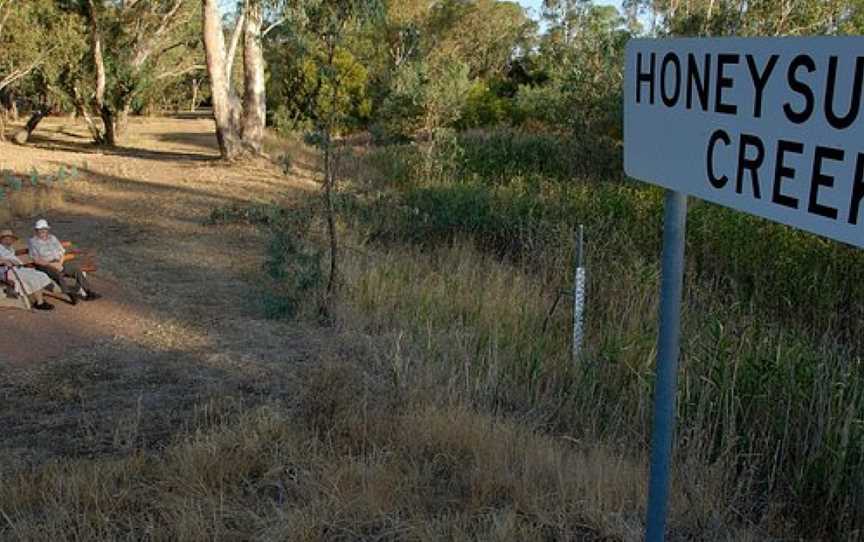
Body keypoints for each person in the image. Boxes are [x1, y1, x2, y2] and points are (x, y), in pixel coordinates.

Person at [28, 219, 100, 303]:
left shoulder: (53, 238)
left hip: (59, 262)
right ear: (36, 230)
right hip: (45, 265)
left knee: (76, 270)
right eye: (40, 230)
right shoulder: (33, 242)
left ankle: (88, 292)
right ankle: (70, 294)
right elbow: (36, 260)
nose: (43, 231)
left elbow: (61, 251)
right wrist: (52, 264)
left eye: (44, 229)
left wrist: (59, 263)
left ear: (47, 229)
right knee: (57, 274)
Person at [0, 229, 56, 310]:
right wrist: (4, 261)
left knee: (39, 275)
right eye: (6, 238)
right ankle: (40, 303)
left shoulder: (10, 248)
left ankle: (39, 299)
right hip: (7, 270)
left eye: (10, 238)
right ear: (1, 239)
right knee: (31, 278)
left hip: (17, 268)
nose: (8, 239)